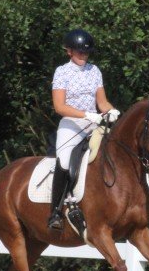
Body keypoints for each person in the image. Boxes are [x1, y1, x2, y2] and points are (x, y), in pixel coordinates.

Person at [48, 29, 120, 230]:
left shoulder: (94, 71)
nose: (84, 56)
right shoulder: (62, 72)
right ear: (69, 51)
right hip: (71, 125)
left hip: (94, 123)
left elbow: (102, 102)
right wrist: (86, 115)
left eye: (86, 53)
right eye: (80, 52)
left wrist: (112, 111)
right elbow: (59, 106)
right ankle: (55, 211)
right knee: (63, 160)